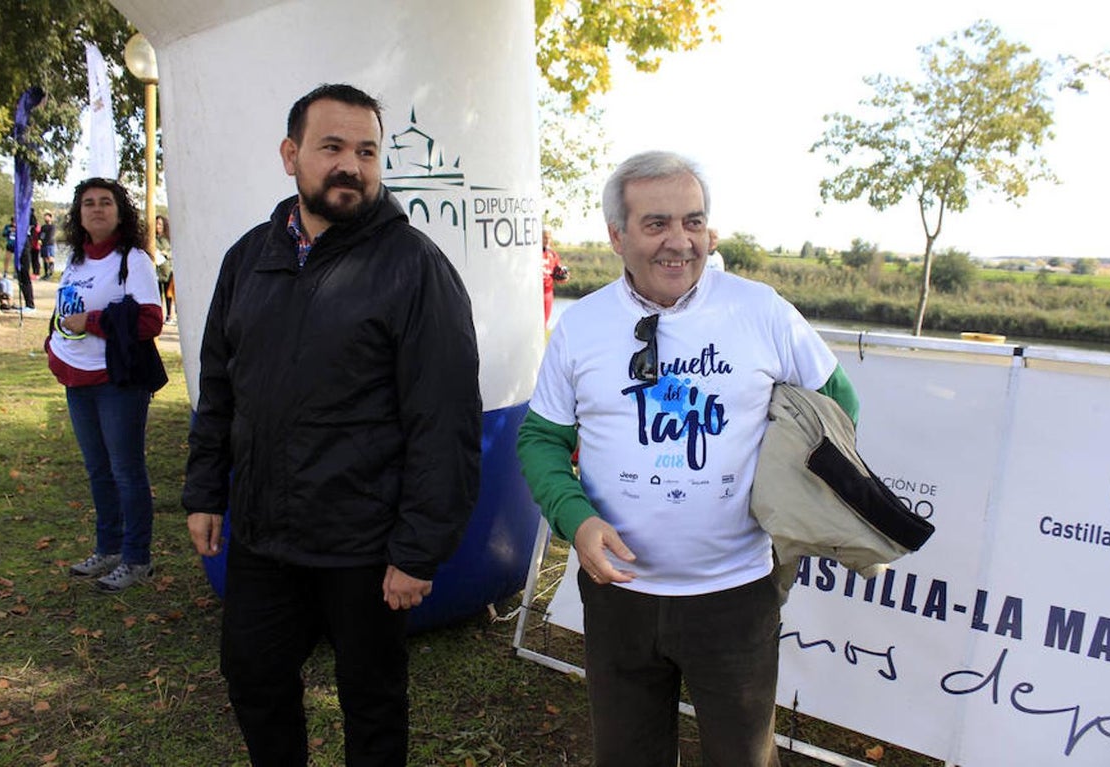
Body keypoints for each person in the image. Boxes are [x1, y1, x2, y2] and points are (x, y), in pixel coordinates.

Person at [517, 150, 859, 767]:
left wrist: (790, 499)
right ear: (617, 236)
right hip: (617, 592)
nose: (680, 242)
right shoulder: (582, 325)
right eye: (657, 224)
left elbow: (838, 406)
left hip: (736, 594)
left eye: (694, 222)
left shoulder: (761, 311)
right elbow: (540, 439)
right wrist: (576, 519)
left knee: (743, 759)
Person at [182, 83, 482, 766]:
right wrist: (204, 490)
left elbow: (445, 422)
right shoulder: (248, 257)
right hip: (264, 531)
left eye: (367, 151)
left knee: (372, 702)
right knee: (253, 675)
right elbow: (220, 386)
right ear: (291, 156)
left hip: (364, 543)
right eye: (333, 147)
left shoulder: (414, 267)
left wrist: (418, 547)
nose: (352, 164)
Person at [47, 178, 167, 592]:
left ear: (119, 212)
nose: (96, 209)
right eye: (88, 204)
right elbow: (66, 312)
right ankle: (109, 548)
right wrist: (53, 348)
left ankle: (137, 558)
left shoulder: (132, 260)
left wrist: (94, 323)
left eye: (105, 202)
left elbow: (152, 320)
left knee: (126, 471)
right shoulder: (75, 261)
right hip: (76, 381)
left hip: (118, 382)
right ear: (78, 215)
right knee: (98, 471)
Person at [541, 228, 568, 326]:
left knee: (544, 324)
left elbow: (558, 273)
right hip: (534, 294)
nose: (547, 241)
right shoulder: (532, 253)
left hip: (548, 293)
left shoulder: (553, 254)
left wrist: (563, 276)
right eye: (544, 238)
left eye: (549, 238)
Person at [154, 215, 175, 323]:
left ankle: (169, 316)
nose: (158, 226)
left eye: (160, 224)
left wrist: (166, 253)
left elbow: (174, 251)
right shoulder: (152, 239)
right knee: (158, 295)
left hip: (167, 270)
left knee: (168, 294)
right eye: (156, 224)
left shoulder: (169, 238)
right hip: (156, 270)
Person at [40, 211, 57, 279]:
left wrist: (45, 241)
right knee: (44, 258)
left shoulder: (52, 227)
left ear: (50, 218)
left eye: (47, 216)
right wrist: (40, 240)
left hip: (50, 244)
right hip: (43, 244)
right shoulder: (43, 227)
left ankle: (51, 273)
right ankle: (46, 273)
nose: (45, 218)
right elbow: (41, 235)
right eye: (45, 217)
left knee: (50, 258)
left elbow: (50, 236)